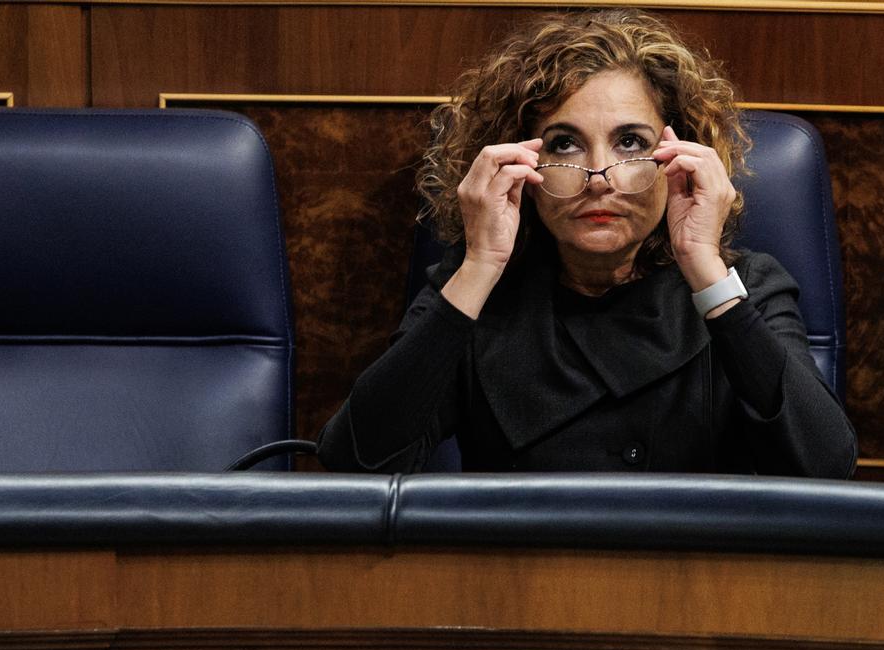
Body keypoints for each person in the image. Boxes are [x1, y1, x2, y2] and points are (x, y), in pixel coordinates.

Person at [318, 9, 856, 476]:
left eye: (630, 142)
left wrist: (704, 268)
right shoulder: (475, 290)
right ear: (520, 164)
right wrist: (480, 266)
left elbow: (824, 467)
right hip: (517, 583)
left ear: (680, 157)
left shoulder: (747, 287)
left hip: (695, 583)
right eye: (565, 144)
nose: (599, 175)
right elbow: (357, 463)